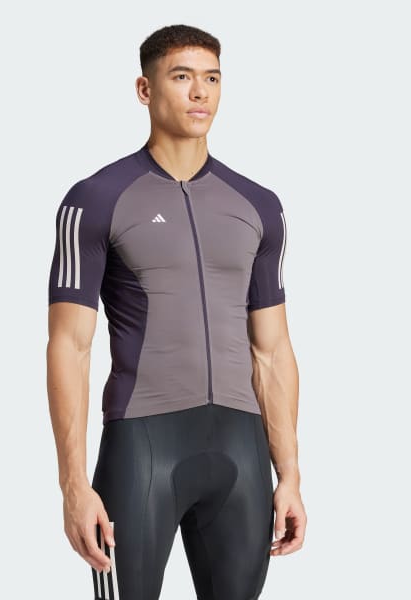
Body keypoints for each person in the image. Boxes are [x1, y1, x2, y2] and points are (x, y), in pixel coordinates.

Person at [46, 23, 306, 600]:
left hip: (241, 452)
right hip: (141, 450)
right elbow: (69, 346)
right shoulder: (96, 199)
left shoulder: (258, 205)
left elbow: (272, 350)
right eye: (182, 76)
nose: (200, 92)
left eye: (211, 78)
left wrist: (289, 473)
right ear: (145, 89)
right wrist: (72, 485)